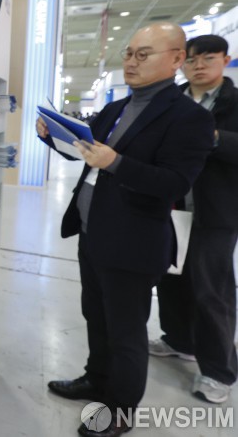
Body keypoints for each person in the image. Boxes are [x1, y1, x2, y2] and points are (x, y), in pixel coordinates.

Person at [36, 22, 215, 437]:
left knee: (126, 331)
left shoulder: (189, 118)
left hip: (134, 242)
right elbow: (86, 153)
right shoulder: (116, 108)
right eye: (129, 53)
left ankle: (119, 409)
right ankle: (96, 379)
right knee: (95, 316)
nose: (132, 62)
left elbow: (174, 182)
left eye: (143, 54)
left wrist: (115, 163)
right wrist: (52, 136)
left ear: (176, 59)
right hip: (92, 232)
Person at [149, 34, 238, 404]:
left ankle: (219, 371)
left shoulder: (233, 102)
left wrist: (212, 137)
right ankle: (179, 340)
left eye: (209, 58)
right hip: (170, 206)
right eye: (192, 60)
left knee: (211, 289)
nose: (199, 66)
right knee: (170, 278)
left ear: (225, 60)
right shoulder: (171, 100)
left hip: (215, 211)